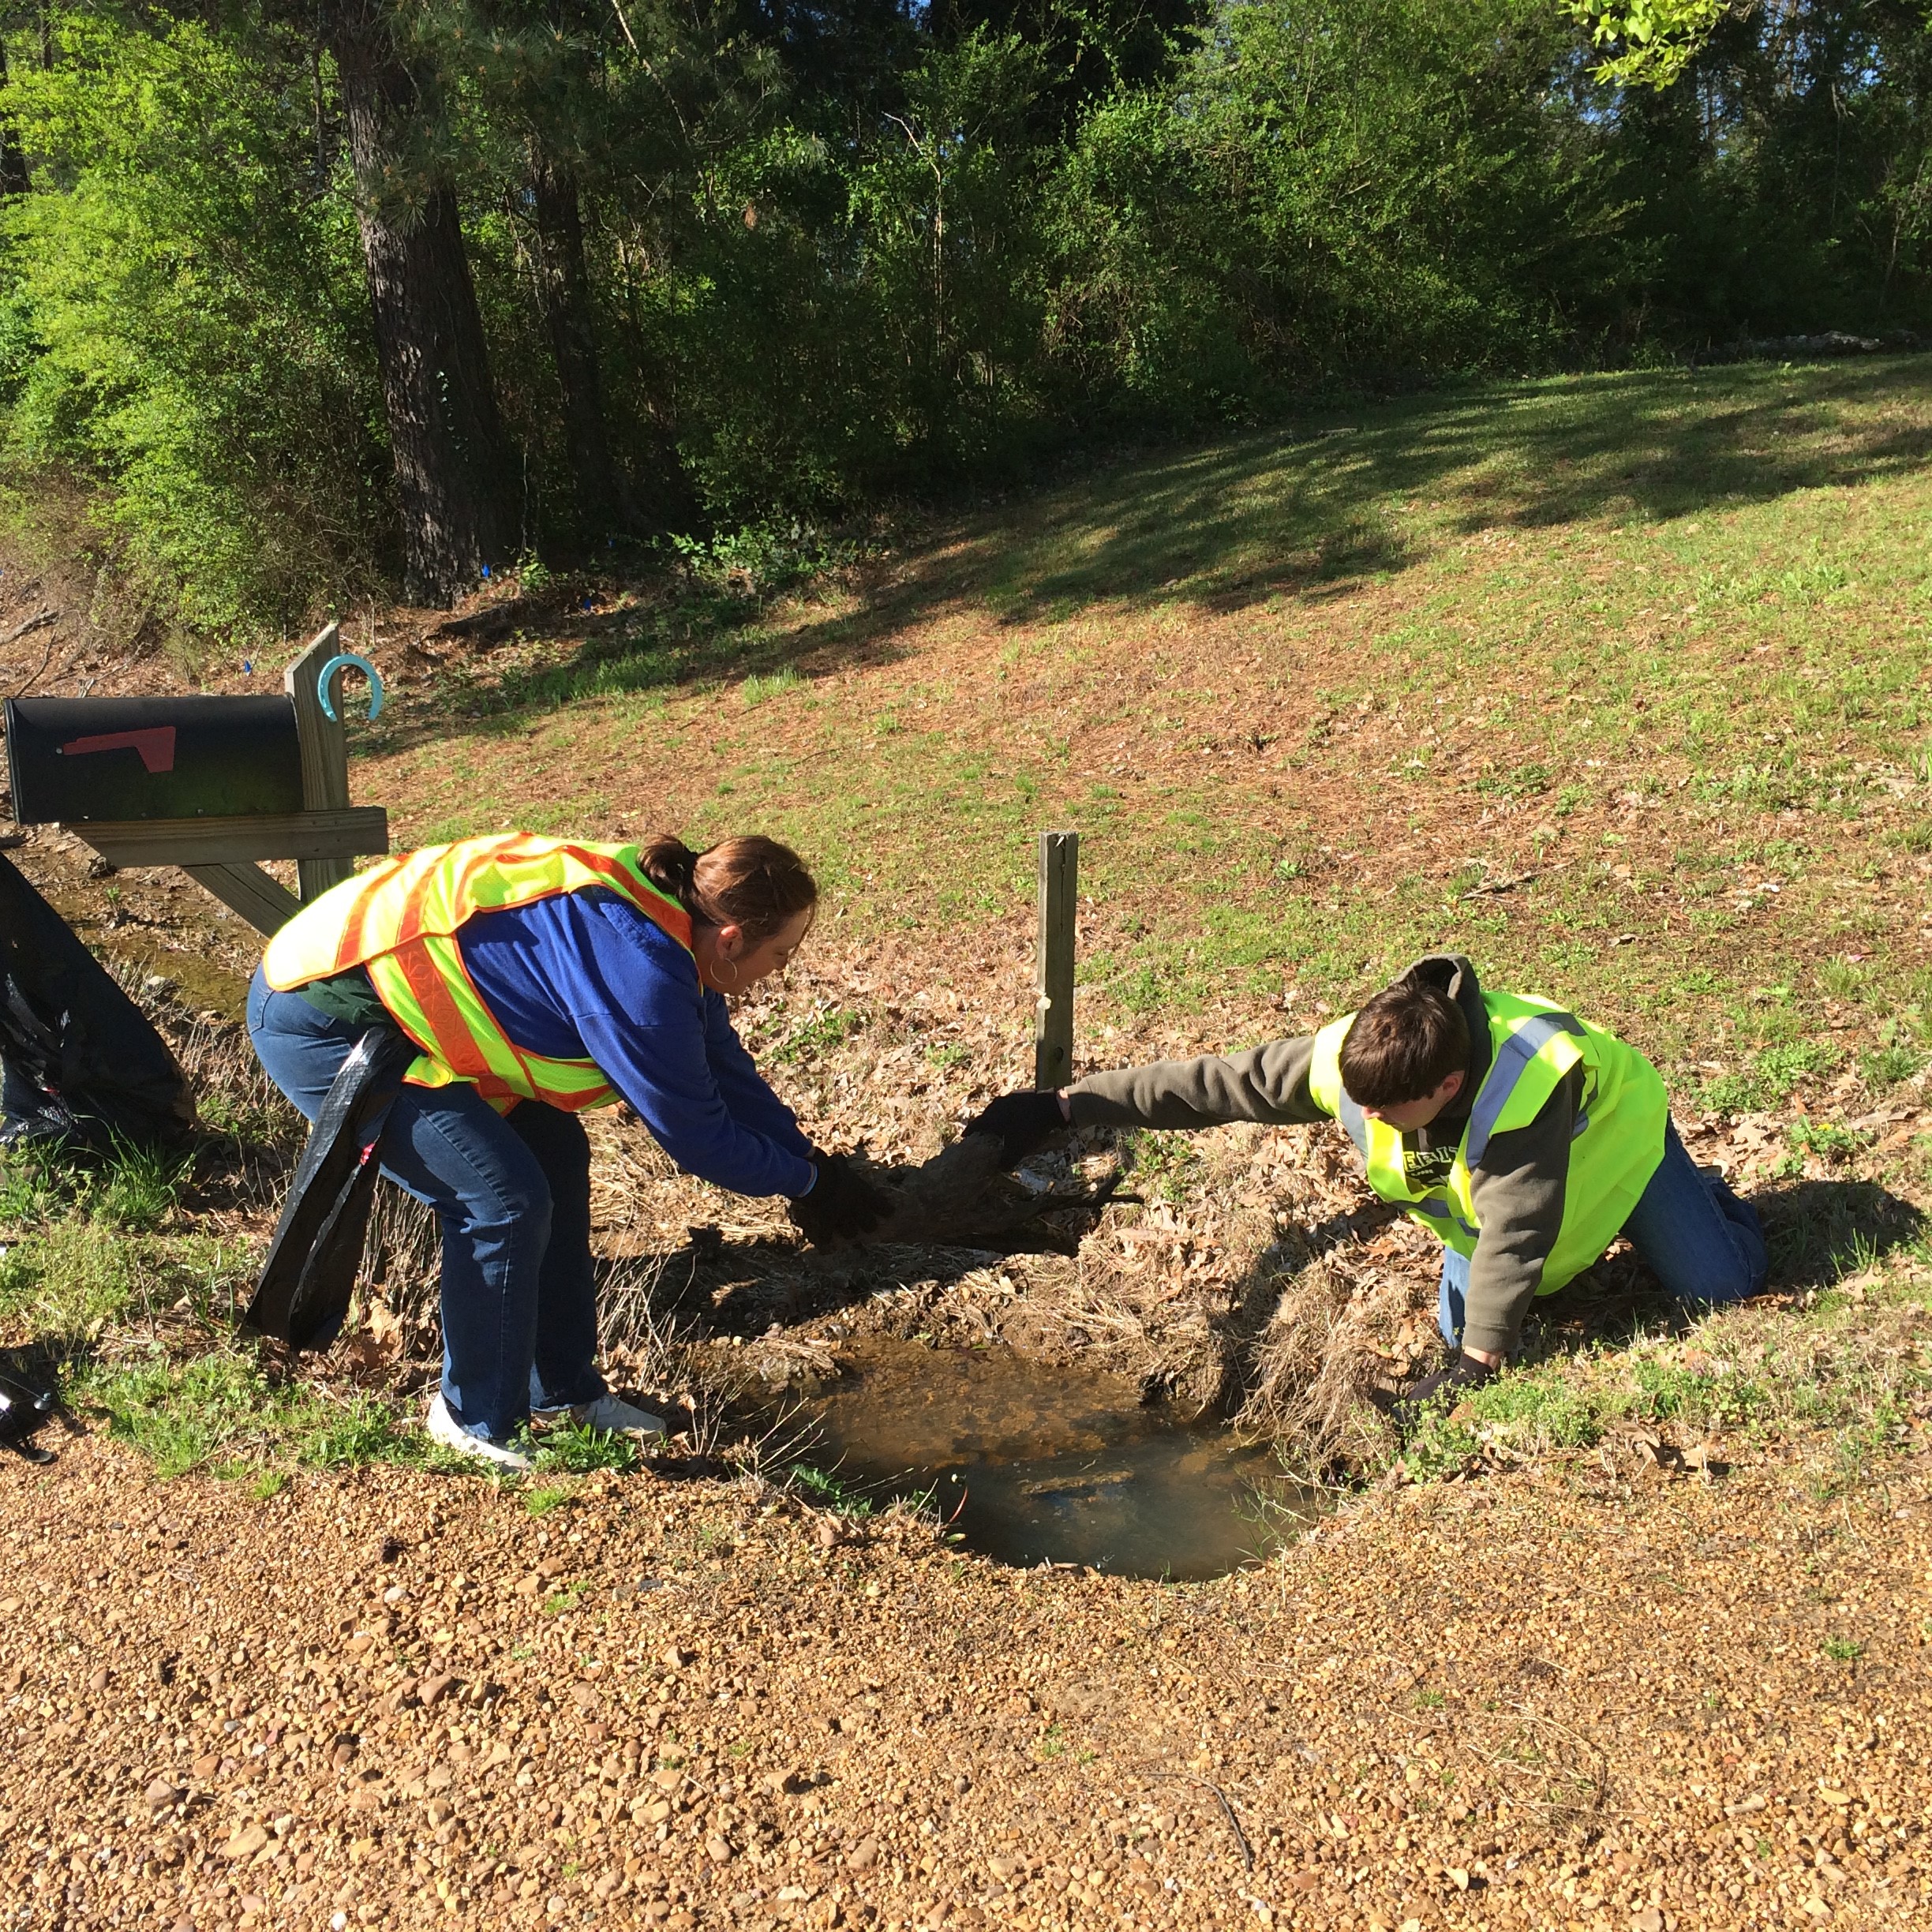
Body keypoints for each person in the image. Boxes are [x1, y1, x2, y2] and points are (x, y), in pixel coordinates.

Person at [249, 829, 888, 1469]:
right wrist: (806, 1185)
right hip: (324, 1016)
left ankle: (559, 1394)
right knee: (502, 1200)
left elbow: (726, 1072)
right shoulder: (642, 979)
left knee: (555, 1155)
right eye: (780, 954)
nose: (780, 971)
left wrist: (811, 1160)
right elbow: (700, 1138)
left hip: (409, 1007)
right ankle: (474, 1420)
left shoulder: (674, 929)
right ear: (730, 940)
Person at [965, 953, 1766, 1412]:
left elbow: (1516, 1231)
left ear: (1448, 1086)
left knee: (1720, 1287)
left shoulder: (1525, 1087)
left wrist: (1479, 1364)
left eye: (1387, 1111)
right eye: (1361, 1104)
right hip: (1498, 1204)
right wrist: (1065, 1105)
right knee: (1474, 1326)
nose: (1368, 1119)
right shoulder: (1363, 1058)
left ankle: (1700, 1196)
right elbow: (1212, 1086)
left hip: (1619, 1145)